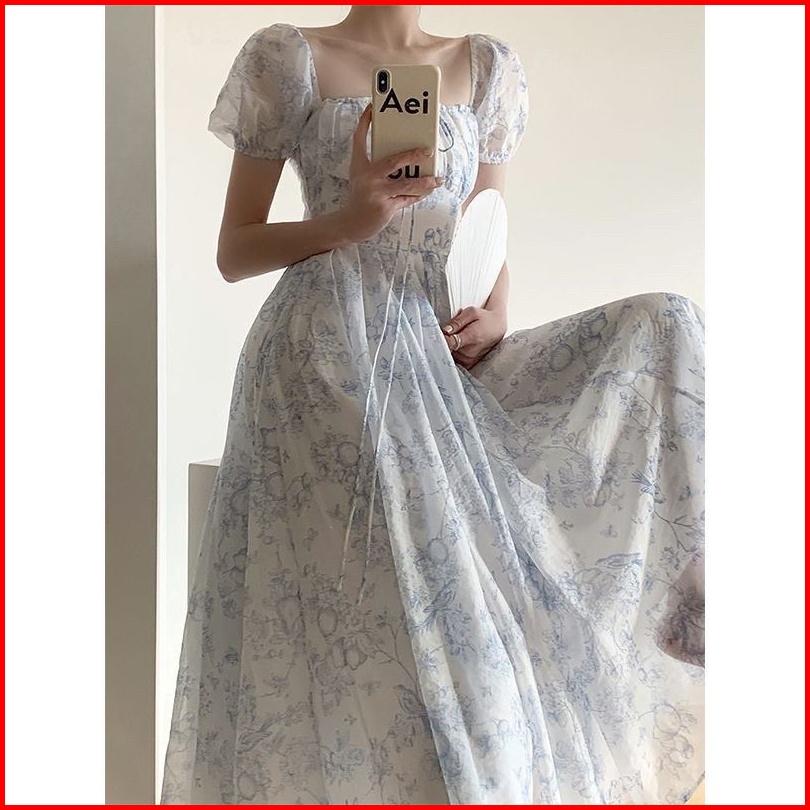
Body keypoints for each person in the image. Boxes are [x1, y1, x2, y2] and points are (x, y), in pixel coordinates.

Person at [160, 6, 705, 805]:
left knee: (667, 322)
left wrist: (497, 312)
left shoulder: (485, 70)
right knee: (412, 646)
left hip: (444, 352)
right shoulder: (290, 58)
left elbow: (488, 231)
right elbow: (234, 250)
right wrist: (352, 219)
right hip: (330, 350)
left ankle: (701, 598)